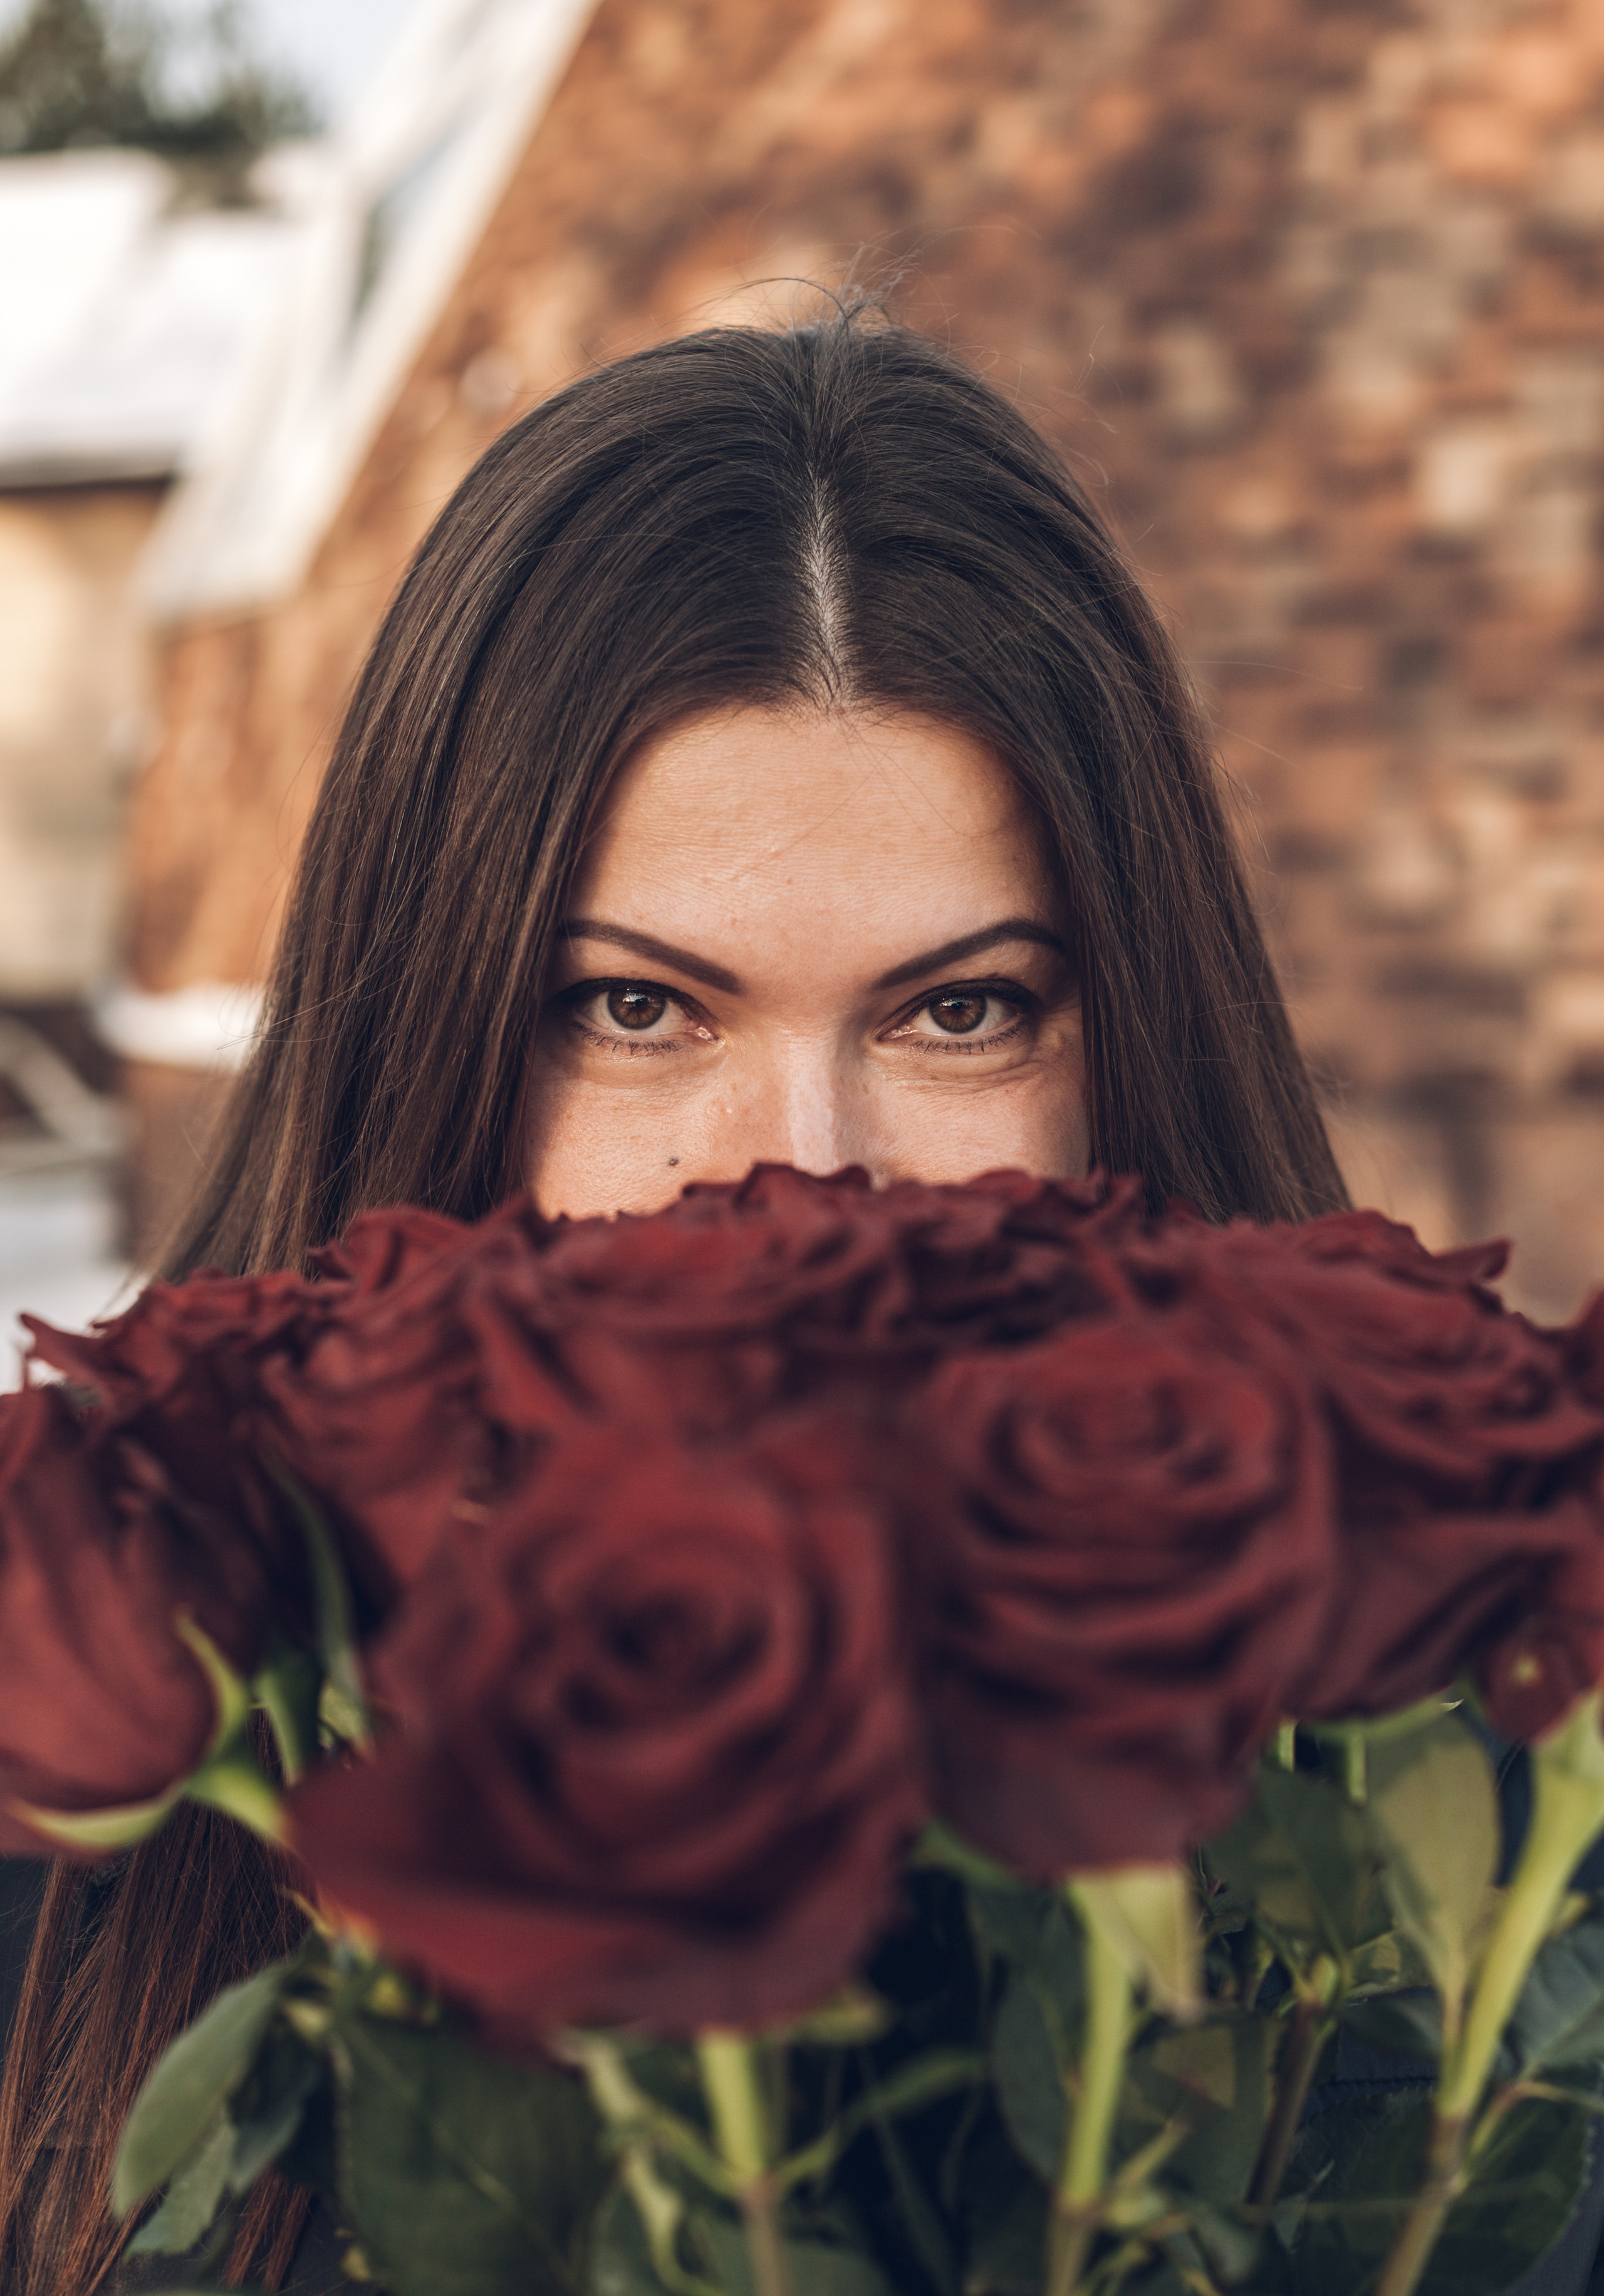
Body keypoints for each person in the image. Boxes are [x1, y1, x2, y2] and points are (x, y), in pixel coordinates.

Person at [0, 308, 1582, 2293]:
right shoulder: (75, 1890)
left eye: (960, 1009)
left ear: (1124, 1051)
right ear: (439, 1032)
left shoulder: (1461, 1940)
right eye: (639, 1010)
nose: (802, 1181)